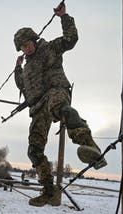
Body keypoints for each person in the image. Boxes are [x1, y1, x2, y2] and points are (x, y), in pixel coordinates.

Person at [13, 2, 107, 207]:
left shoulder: (49, 48)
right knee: (33, 149)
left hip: (56, 91)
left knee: (61, 108)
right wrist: (18, 68)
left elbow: (71, 39)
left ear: (34, 40)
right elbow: (22, 86)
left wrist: (64, 17)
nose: (26, 48)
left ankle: (89, 146)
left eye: (28, 43)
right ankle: (49, 191)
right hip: (37, 107)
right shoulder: (27, 68)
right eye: (22, 46)